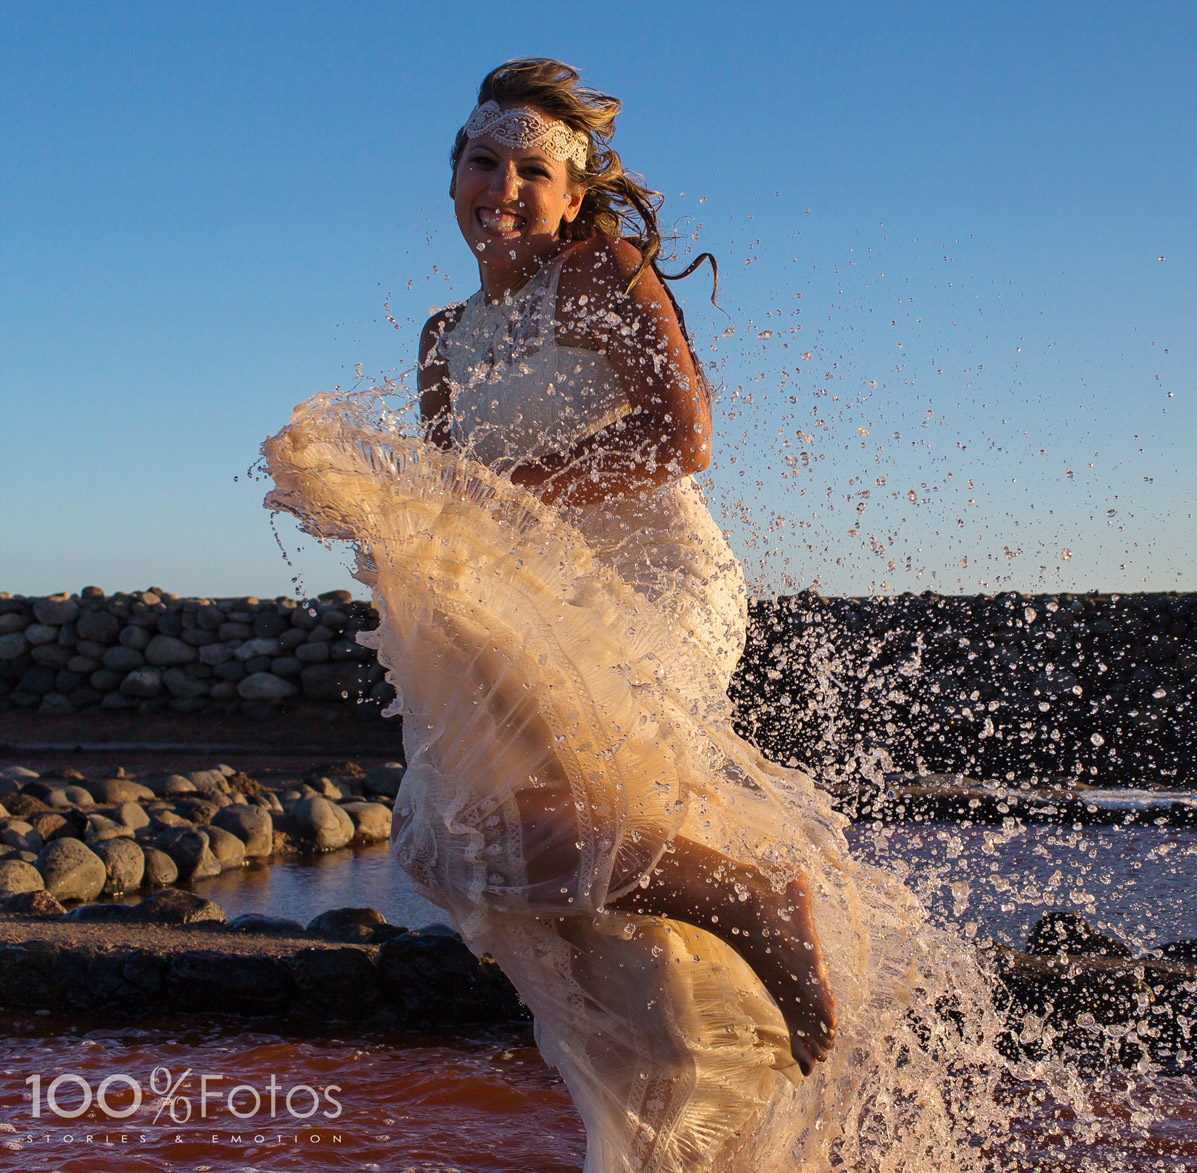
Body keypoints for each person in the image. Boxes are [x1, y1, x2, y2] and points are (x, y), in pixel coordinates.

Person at [265, 58, 869, 1172]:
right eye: (482, 162)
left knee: (512, 829)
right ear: (452, 177)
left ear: (574, 194)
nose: (501, 187)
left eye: (531, 170)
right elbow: (457, 501)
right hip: (534, 603)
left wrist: (517, 503)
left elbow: (682, 436)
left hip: (654, 586)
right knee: (453, 845)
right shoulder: (442, 339)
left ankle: (755, 903)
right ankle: (674, 1115)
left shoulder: (602, 273)